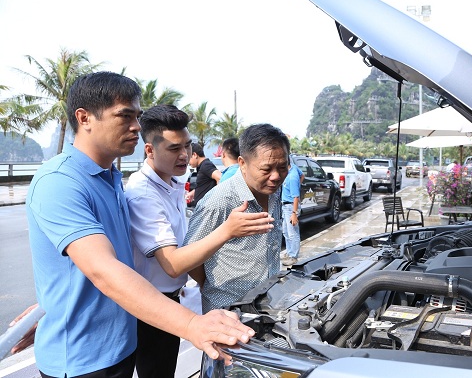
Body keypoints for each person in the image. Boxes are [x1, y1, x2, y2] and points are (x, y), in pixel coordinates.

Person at [25, 71, 254, 378]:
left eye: (138, 116)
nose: (136, 126)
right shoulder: (60, 182)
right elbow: (102, 269)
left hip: (120, 342)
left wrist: (49, 305)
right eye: (125, 116)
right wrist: (191, 324)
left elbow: (113, 260)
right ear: (85, 118)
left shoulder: (110, 179)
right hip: (82, 357)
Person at [124, 105, 274, 377]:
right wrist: (227, 230)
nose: (184, 155)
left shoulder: (170, 181)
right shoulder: (143, 194)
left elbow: (187, 245)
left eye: (187, 146)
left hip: (173, 298)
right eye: (173, 149)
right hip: (150, 305)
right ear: (149, 150)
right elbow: (171, 264)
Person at [184, 123, 290, 313]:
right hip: (228, 308)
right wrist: (213, 287)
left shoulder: (274, 191)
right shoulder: (219, 200)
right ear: (242, 164)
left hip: (269, 303)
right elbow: (191, 259)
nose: (275, 176)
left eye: (282, 167)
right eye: (266, 169)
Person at [281, 162, 304, 266]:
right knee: (285, 231)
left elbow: (295, 197)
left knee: (292, 233)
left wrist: (294, 213)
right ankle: (289, 252)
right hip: (285, 206)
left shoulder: (292, 178)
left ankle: (293, 256)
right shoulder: (294, 167)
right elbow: (302, 175)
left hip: (290, 206)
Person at [187, 142, 221, 207]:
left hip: (207, 208)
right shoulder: (201, 166)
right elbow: (205, 185)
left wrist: (216, 199)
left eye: (188, 158)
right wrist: (194, 192)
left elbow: (220, 178)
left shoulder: (206, 165)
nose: (187, 161)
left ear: (194, 155)